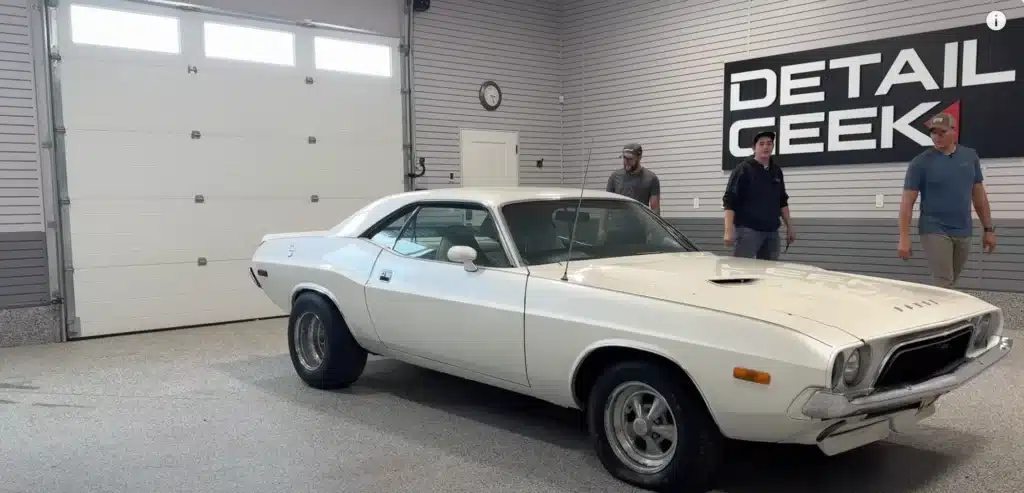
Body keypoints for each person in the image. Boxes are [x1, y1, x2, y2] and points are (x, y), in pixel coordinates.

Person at [898, 112, 996, 288]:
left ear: (953, 131)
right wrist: (904, 237)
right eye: (933, 133)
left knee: (950, 283)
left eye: (941, 132)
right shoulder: (920, 163)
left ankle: (938, 311)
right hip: (934, 228)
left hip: (963, 229)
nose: (937, 137)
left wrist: (988, 228)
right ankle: (942, 314)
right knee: (944, 282)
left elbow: (979, 195)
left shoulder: (969, 157)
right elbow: (907, 202)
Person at [721, 130, 795, 260]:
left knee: (769, 273)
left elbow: (782, 201)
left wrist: (790, 227)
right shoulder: (743, 169)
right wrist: (728, 231)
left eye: (769, 143)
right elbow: (729, 201)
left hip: (772, 233)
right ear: (754, 148)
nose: (766, 147)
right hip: (748, 231)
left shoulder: (776, 171)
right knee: (741, 272)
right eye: (761, 144)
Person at [606, 143, 661, 215]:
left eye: (630, 159)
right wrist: (602, 226)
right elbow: (607, 206)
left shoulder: (651, 178)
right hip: (617, 224)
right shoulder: (614, 177)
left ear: (639, 157)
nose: (626, 161)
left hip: (641, 224)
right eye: (624, 158)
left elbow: (655, 208)